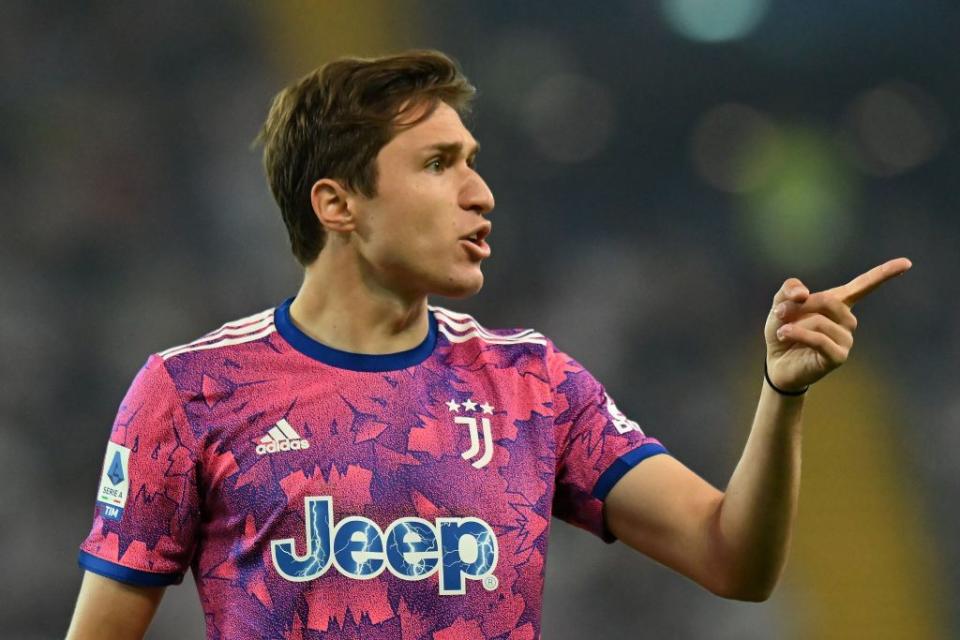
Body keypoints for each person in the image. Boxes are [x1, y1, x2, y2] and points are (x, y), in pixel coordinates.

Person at [66, 50, 912, 640]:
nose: (481, 193)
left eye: (472, 161)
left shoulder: (532, 383)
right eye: (439, 164)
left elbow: (736, 562)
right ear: (338, 204)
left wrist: (782, 393)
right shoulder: (192, 392)